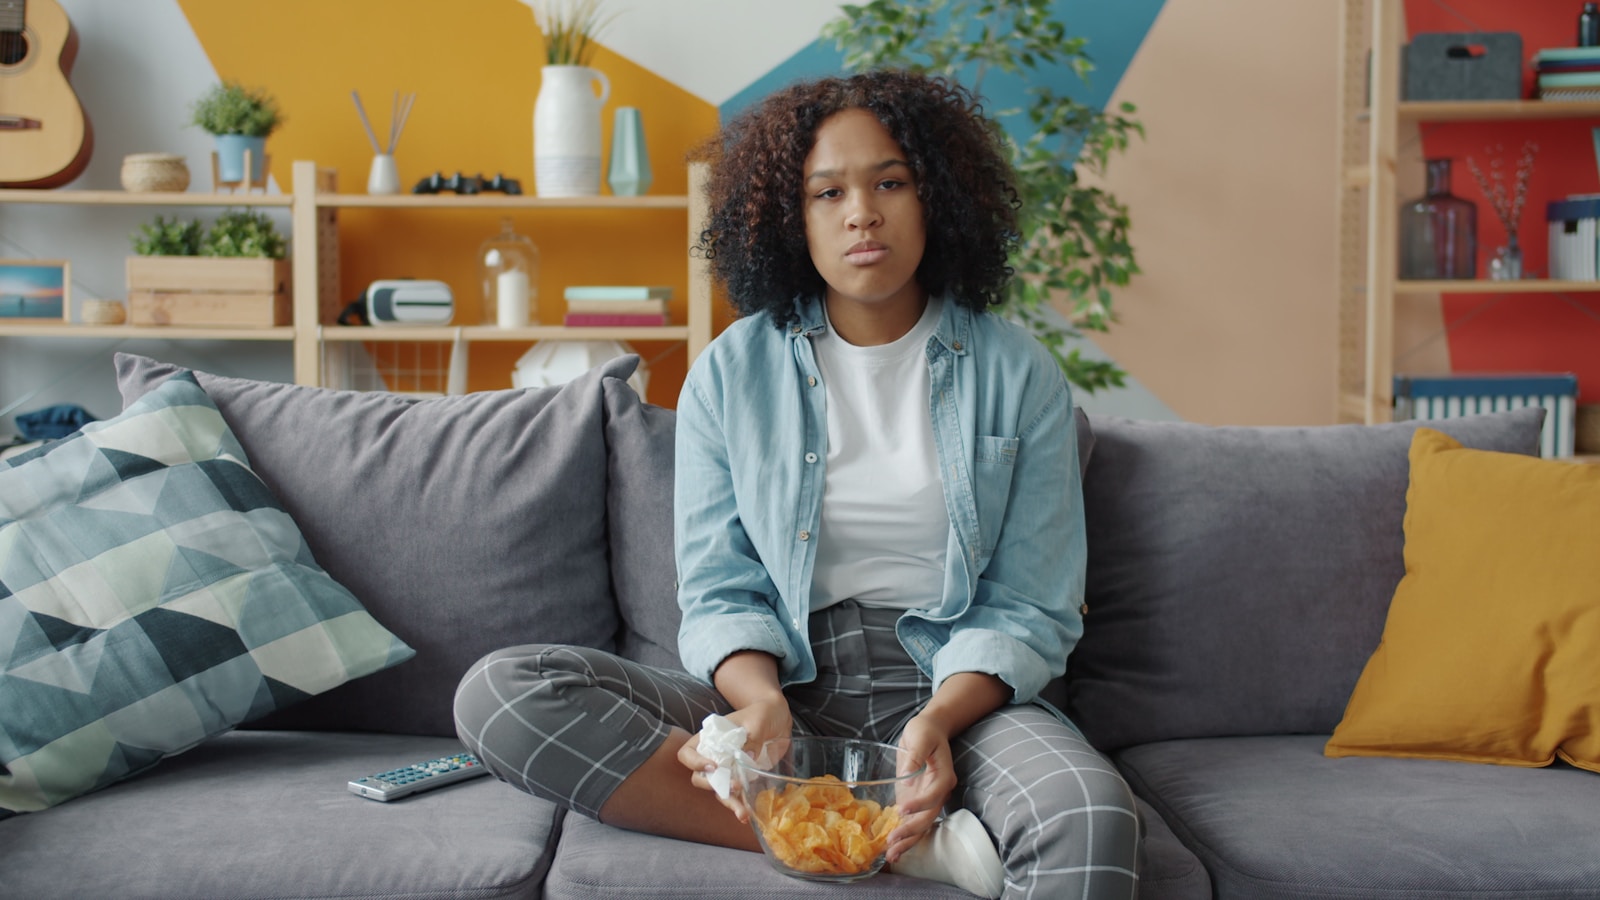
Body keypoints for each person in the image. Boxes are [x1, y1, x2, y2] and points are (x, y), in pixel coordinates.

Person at [454, 69, 1141, 899]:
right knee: (501, 695)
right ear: (789, 219)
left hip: (958, 695)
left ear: (940, 199)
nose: (861, 212)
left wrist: (939, 722)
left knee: (1095, 820)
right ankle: (873, 837)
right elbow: (718, 584)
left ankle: (840, 817)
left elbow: (1032, 602)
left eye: (891, 181)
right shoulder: (729, 374)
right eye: (826, 193)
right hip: (789, 687)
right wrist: (759, 704)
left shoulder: (1017, 371)